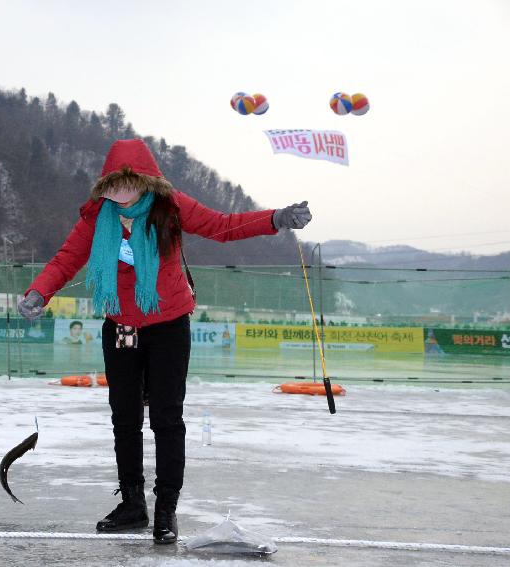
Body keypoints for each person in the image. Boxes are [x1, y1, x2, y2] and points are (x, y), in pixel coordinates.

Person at [17, 139, 311, 544]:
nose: (120, 192)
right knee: (124, 418)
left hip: (169, 325)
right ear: (104, 185)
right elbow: (67, 258)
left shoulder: (169, 207)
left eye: (129, 182)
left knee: (167, 418)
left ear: (146, 182)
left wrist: (275, 218)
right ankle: (133, 504)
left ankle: (166, 508)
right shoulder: (96, 218)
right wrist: (39, 291)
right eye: (113, 184)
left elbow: (222, 226)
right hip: (120, 325)